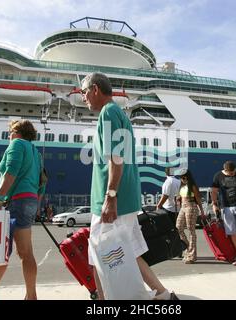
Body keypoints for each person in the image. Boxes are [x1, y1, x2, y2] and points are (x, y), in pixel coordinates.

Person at [81, 72, 178, 300]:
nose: (83, 97)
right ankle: (163, 296)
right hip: (122, 197)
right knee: (128, 251)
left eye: (84, 92)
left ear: (95, 89)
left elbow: (116, 158)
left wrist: (110, 196)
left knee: (99, 253)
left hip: (113, 199)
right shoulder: (117, 113)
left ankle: (105, 302)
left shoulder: (108, 113)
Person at [0, 119, 45, 300]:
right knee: (24, 252)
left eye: (11, 131)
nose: (8, 135)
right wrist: (36, 205)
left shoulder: (16, 144)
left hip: (15, 202)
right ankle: (23, 295)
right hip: (28, 201)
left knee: (4, 251)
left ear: (18, 132)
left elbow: (10, 173)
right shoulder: (36, 153)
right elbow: (42, 183)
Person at [175, 169, 205, 264]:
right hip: (183, 207)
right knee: (178, 227)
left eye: (184, 177)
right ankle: (188, 248)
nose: (182, 179)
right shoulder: (182, 187)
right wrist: (178, 198)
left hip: (191, 206)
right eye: (181, 178)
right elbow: (180, 198)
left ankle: (192, 255)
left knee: (191, 229)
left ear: (188, 177)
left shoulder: (192, 186)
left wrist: (202, 211)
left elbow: (198, 199)